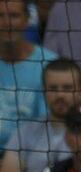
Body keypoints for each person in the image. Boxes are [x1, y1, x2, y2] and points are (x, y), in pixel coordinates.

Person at [0, 58, 81, 172]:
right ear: (44, 91)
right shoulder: (25, 131)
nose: (60, 95)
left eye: (67, 88)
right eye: (53, 88)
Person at [0, 0, 57, 154]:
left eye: (14, 16)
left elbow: (50, 125)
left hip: (33, 155)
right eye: (0, 16)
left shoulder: (48, 64)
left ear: (27, 19)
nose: (6, 23)